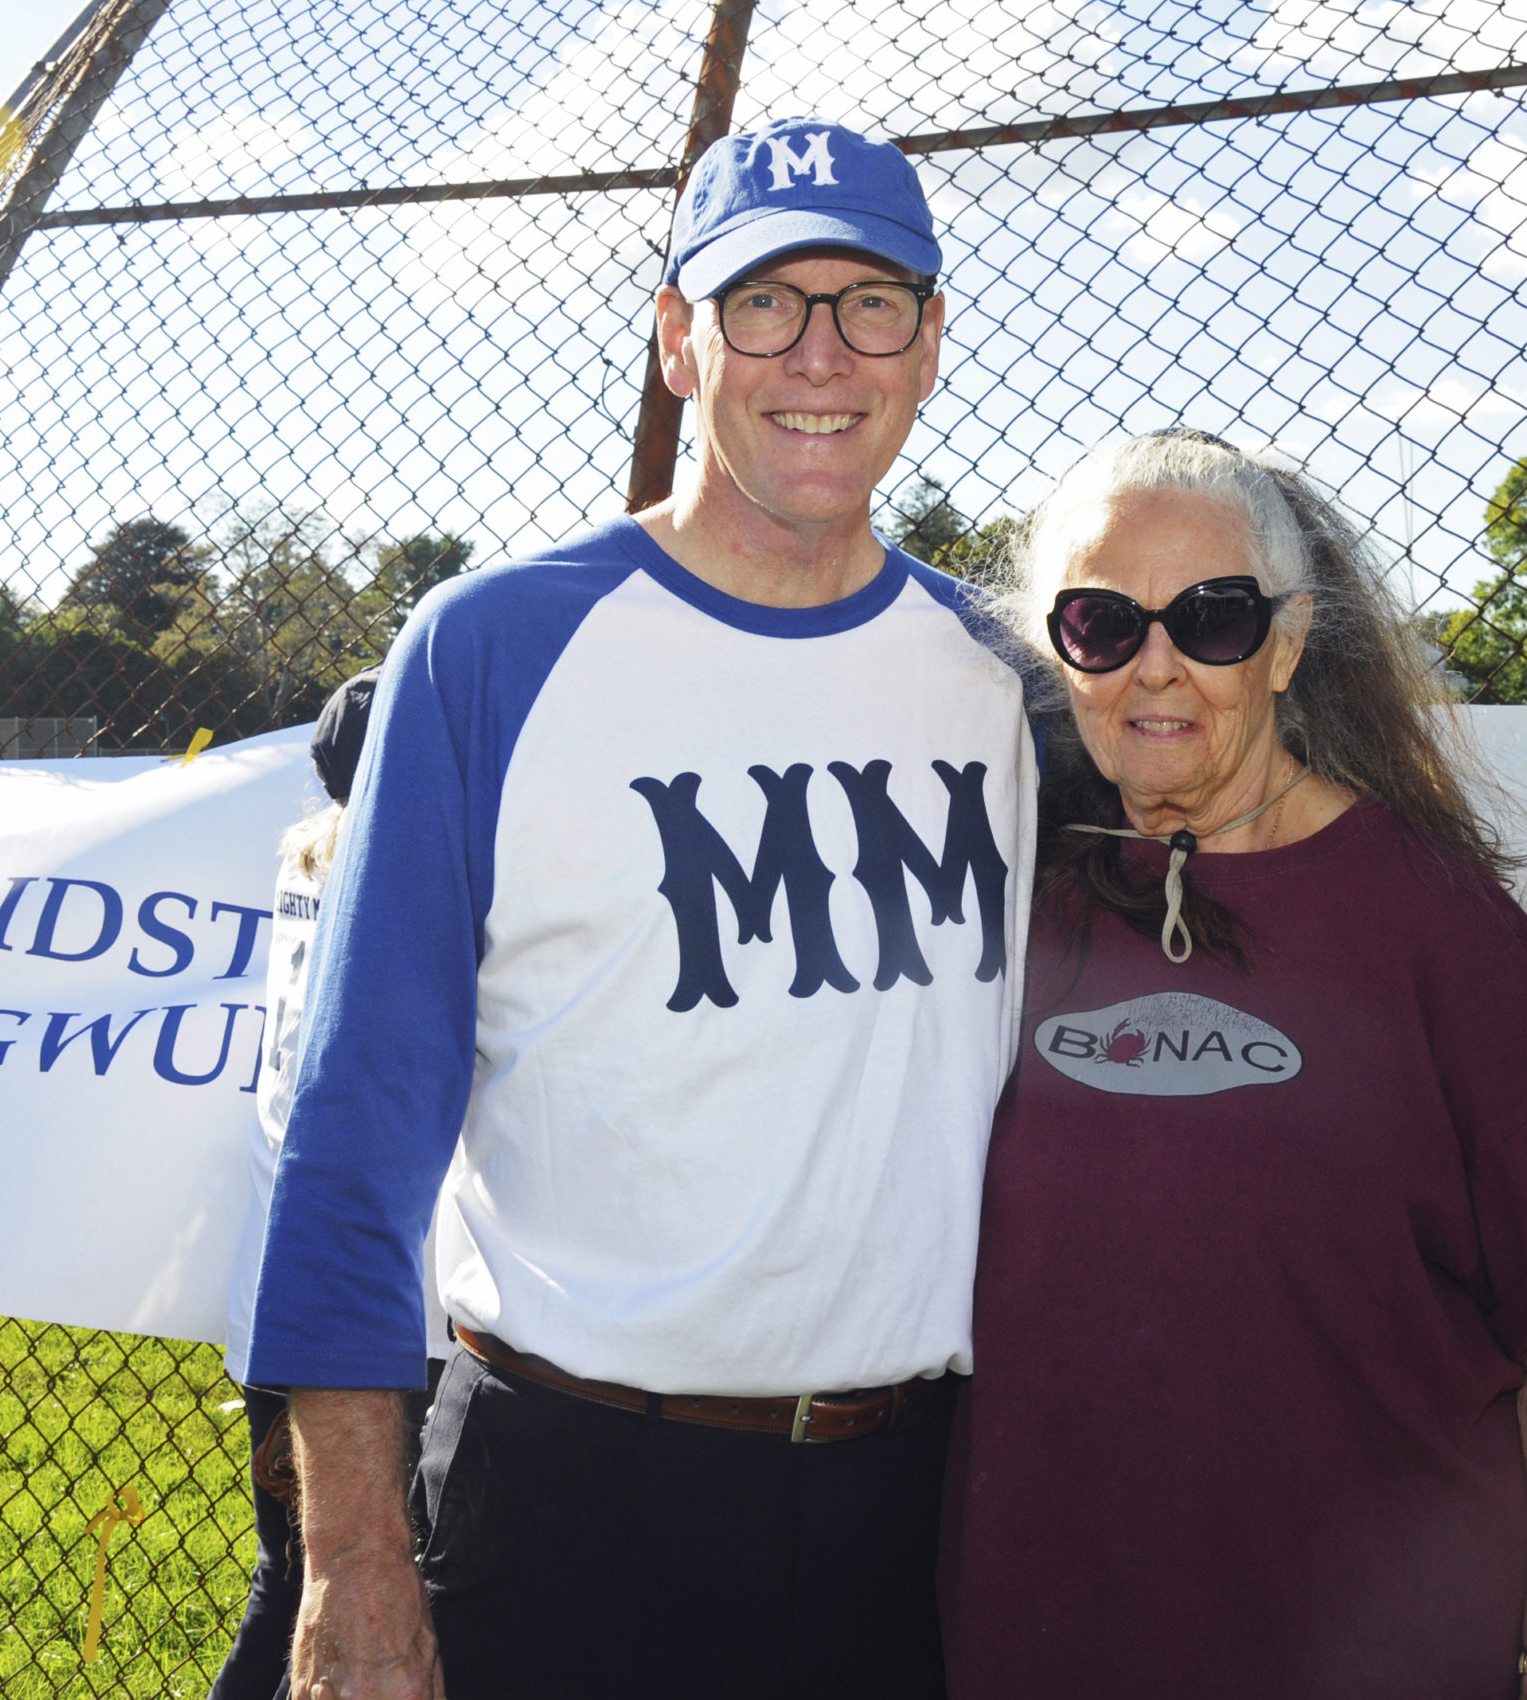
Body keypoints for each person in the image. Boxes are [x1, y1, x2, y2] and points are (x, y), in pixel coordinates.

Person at [247, 117, 1037, 1699]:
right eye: (764, 303)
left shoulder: (1008, 677)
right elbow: (354, 1136)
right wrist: (350, 1558)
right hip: (568, 1492)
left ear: (933, 342)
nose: (821, 353)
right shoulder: (493, 649)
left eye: (871, 302)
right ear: (681, 340)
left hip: (915, 1502)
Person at [938, 431, 1527, 1700]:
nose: (1156, 666)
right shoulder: (1006, 911)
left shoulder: (1429, 920)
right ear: (1060, 654)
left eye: (1211, 618)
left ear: (1286, 640)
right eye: (1103, 622)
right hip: (1037, 1647)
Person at [213, 673, 451, 1700]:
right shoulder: (402, 887)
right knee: (388, 1596)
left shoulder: (314, 859)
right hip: (389, 1307)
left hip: (289, 1288)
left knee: (294, 1579)